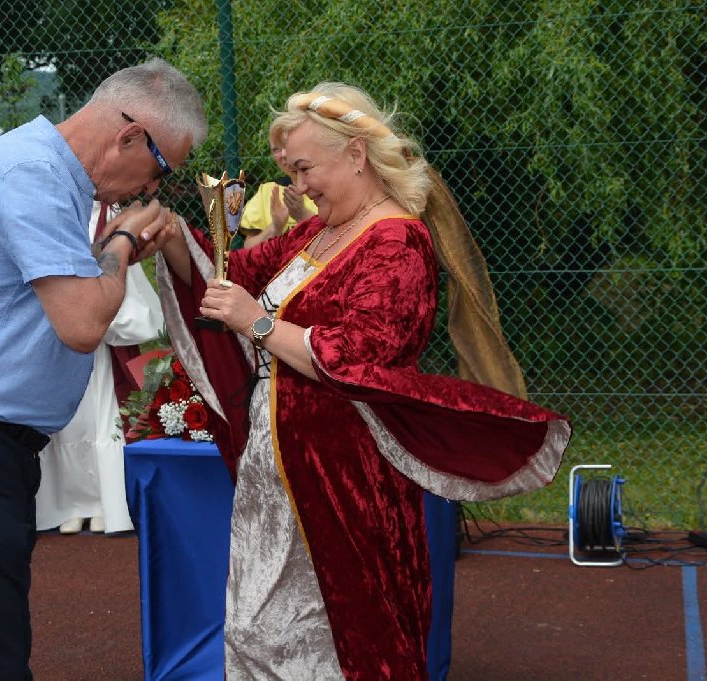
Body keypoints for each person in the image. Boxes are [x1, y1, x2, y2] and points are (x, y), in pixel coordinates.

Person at [155, 82, 571, 678]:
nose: (299, 187)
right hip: (281, 464)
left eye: (305, 169)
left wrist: (258, 323)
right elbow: (231, 273)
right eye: (293, 172)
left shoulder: (397, 241)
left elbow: (361, 356)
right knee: (259, 627)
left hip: (347, 471)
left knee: (348, 627)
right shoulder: (319, 231)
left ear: (356, 154)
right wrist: (170, 233)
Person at [0, 58, 206, 680]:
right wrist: (122, 242)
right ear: (129, 136)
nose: (150, 188)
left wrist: (110, 251)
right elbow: (82, 323)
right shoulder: (33, 172)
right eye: (162, 167)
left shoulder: (42, 168)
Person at [35, 201, 164, 536]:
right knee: (67, 422)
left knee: (102, 415)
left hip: (101, 340)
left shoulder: (111, 215)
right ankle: (70, 503)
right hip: (57, 330)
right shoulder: (46, 208)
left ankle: (105, 503)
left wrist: (99, 317)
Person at [237, 127, 317, 248]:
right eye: (276, 150)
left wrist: (303, 215)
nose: (283, 155)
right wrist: (275, 227)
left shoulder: (330, 187)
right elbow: (249, 249)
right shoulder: (268, 191)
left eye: (286, 145)